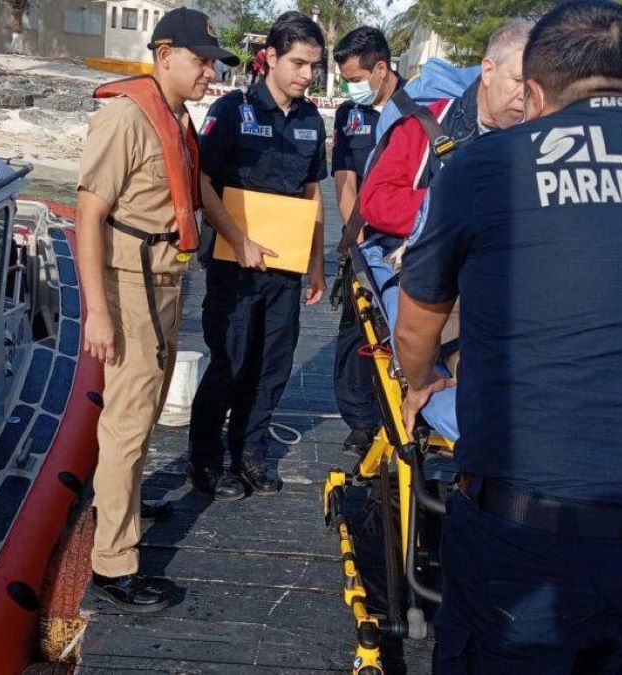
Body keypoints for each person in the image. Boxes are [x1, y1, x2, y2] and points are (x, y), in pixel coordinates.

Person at [394, 1, 622, 671]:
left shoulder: (488, 166)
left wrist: (422, 382)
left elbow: (417, 316)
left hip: (530, 538)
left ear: (532, 89)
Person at [75, 7, 238, 613]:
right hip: (131, 280)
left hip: (166, 277)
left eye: (212, 63)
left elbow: (195, 189)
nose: (210, 74)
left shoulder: (175, 116)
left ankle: (124, 504)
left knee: (141, 412)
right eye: (201, 61)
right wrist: (98, 311)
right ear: (164, 54)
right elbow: (89, 212)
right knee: (128, 417)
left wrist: (238, 238)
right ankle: (114, 566)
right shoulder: (125, 118)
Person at [188, 11, 327, 501]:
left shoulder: (312, 119)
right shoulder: (231, 111)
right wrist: (238, 237)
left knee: (273, 365)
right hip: (234, 264)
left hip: (285, 269)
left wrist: (316, 264)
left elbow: (312, 194)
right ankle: (205, 462)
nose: (308, 75)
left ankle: (250, 452)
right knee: (231, 360)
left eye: (315, 65)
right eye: (298, 63)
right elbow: (202, 183)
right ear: (269, 57)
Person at [357, 18, 531, 240]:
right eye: (518, 80)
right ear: (488, 71)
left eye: (535, 86)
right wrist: (456, 205)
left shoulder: (546, 137)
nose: (524, 95)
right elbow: (374, 200)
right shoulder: (422, 125)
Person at [330, 25, 403, 454]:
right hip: (363, 238)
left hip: (404, 243)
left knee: (403, 331)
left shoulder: (418, 110)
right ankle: (360, 422)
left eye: (356, 80)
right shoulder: (349, 115)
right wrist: (356, 229)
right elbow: (344, 175)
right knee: (356, 334)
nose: (351, 88)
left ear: (381, 69)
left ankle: (402, 415)